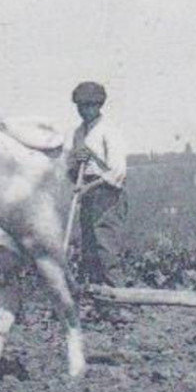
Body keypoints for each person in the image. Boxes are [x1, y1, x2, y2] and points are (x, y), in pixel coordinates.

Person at [65, 81, 129, 302]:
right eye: (81, 106)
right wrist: (75, 163)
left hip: (107, 193)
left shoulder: (109, 131)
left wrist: (88, 188)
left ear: (99, 105)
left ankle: (118, 302)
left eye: (89, 105)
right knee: (89, 247)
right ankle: (95, 300)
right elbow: (72, 171)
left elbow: (118, 172)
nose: (84, 110)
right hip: (87, 191)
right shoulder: (78, 134)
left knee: (106, 247)